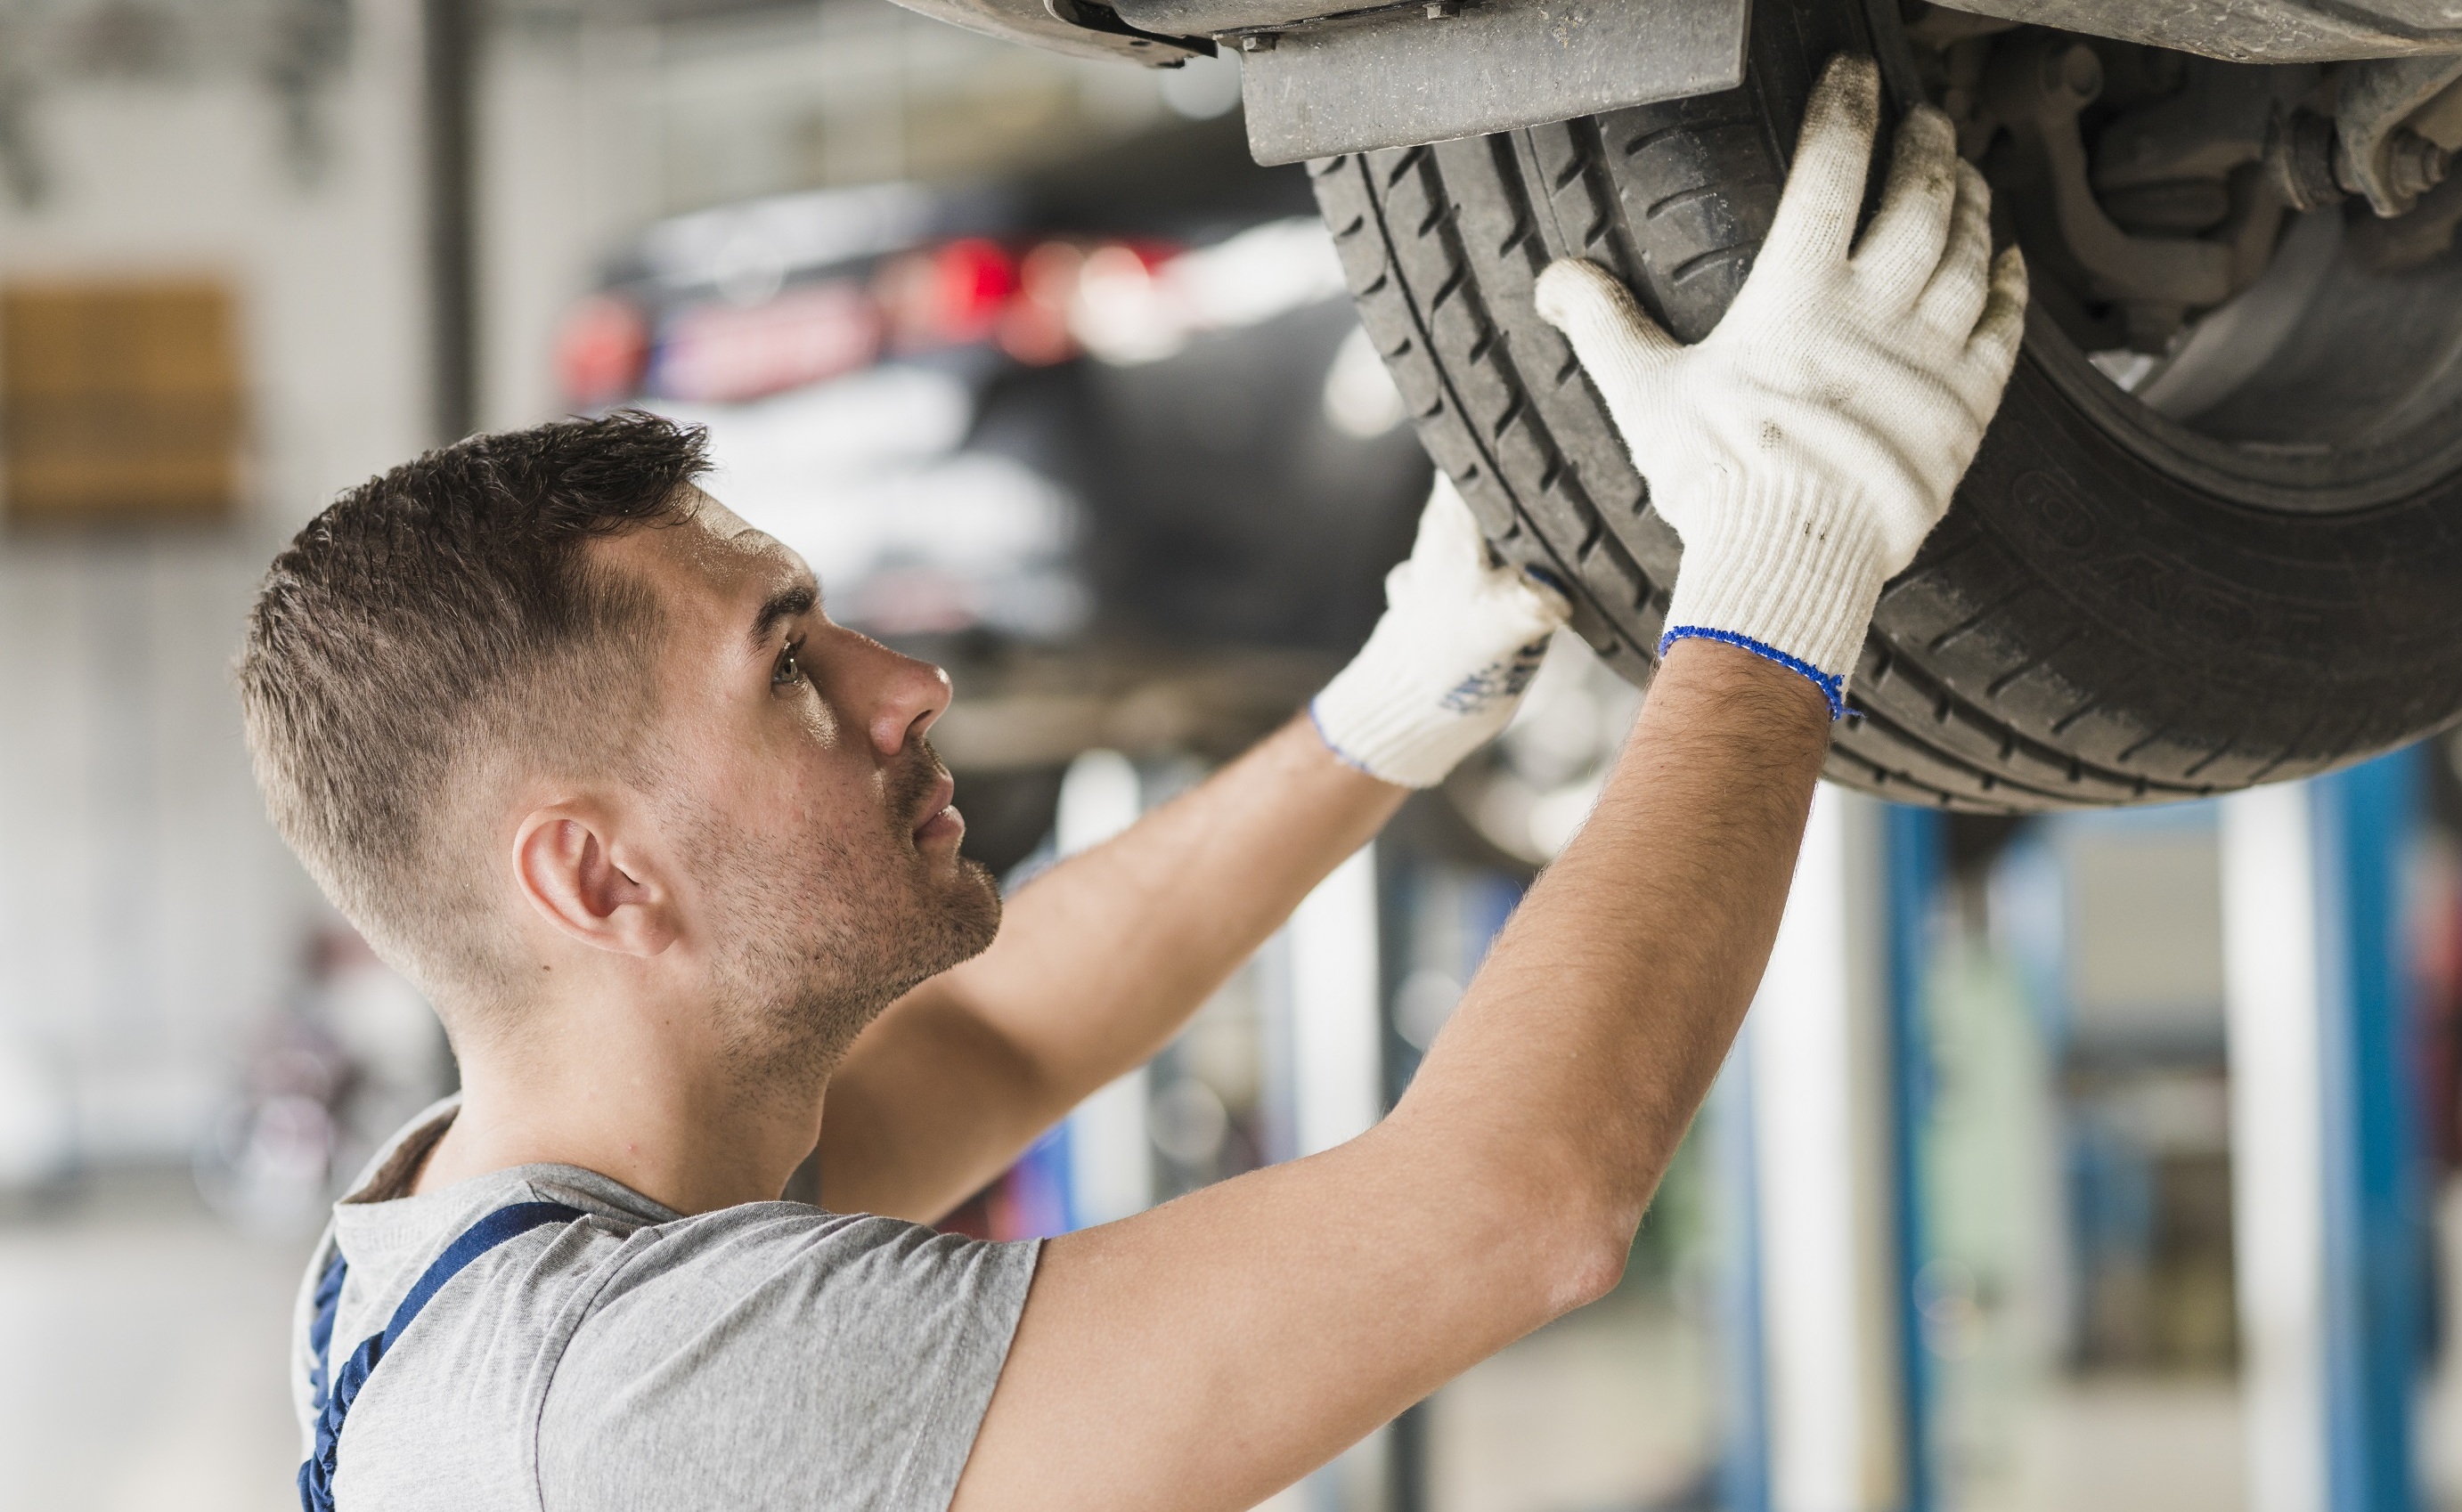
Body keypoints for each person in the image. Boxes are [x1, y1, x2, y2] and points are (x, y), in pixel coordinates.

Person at [240, 54, 2022, 1512]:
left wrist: (1380, 719)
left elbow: (995, 1045)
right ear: (595, 881)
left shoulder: (483, 1242)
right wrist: (1785, 567)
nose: (908, 684)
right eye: (788, 668)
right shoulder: (624, 1422)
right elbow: (1513, 1210)